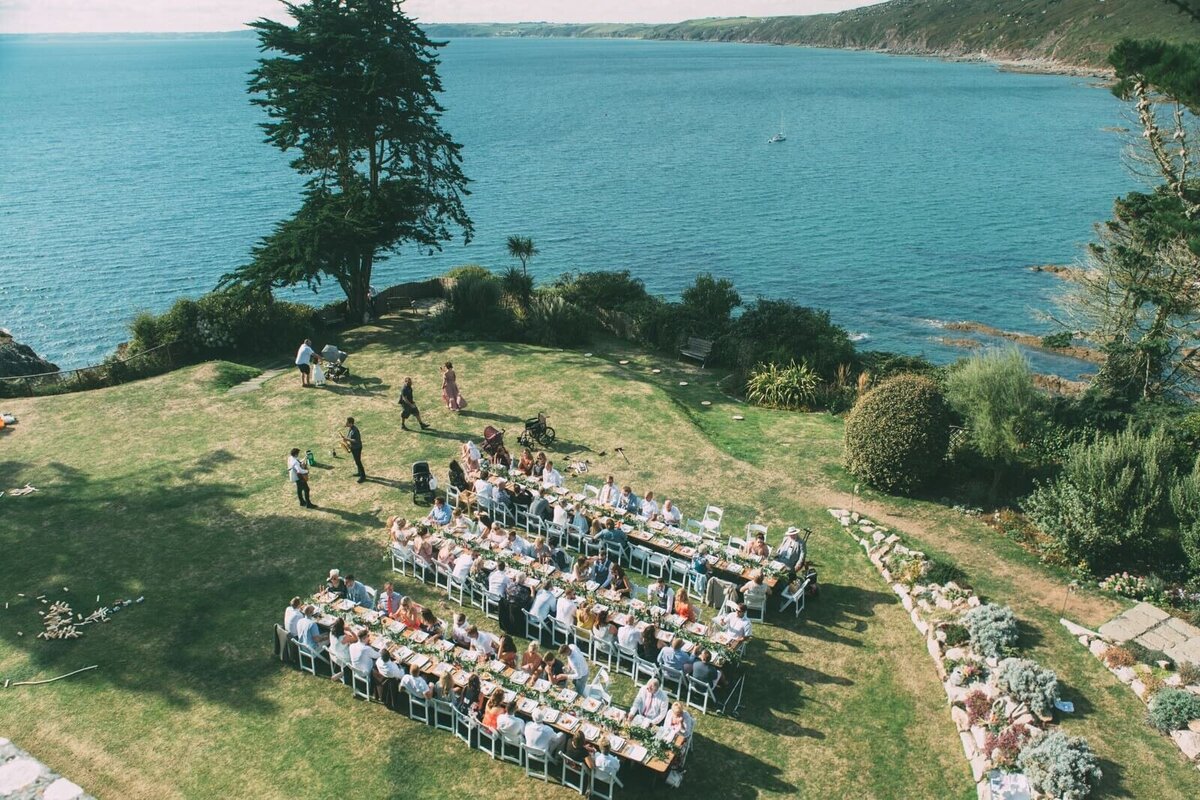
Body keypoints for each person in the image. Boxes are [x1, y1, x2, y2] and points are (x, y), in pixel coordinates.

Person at [344, 417, 365, 483]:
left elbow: (356, 440)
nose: (346, 423)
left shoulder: (355, 430)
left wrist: (347, 439)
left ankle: (363, 476)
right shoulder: (350, 428)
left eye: (347, 422)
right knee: (357, 461)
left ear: (350, 423)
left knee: (358, 462)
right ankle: (359, 472)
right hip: (353, 448)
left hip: (357, 448)